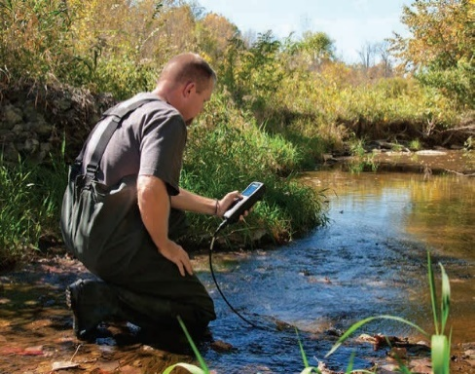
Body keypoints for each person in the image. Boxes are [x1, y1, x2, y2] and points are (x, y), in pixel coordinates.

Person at [61, 53, 243, 342]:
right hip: (106, 241)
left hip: (77, 229)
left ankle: (120, 295)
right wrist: (164, 245)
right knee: (197, 311)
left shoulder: (127, 108)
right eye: (204, 100)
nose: (202, 109)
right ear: (188, 90)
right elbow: (149, 188)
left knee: (172, 217)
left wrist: (217, 207)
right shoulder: (168, 118)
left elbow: (153, 186)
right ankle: (105, 301)